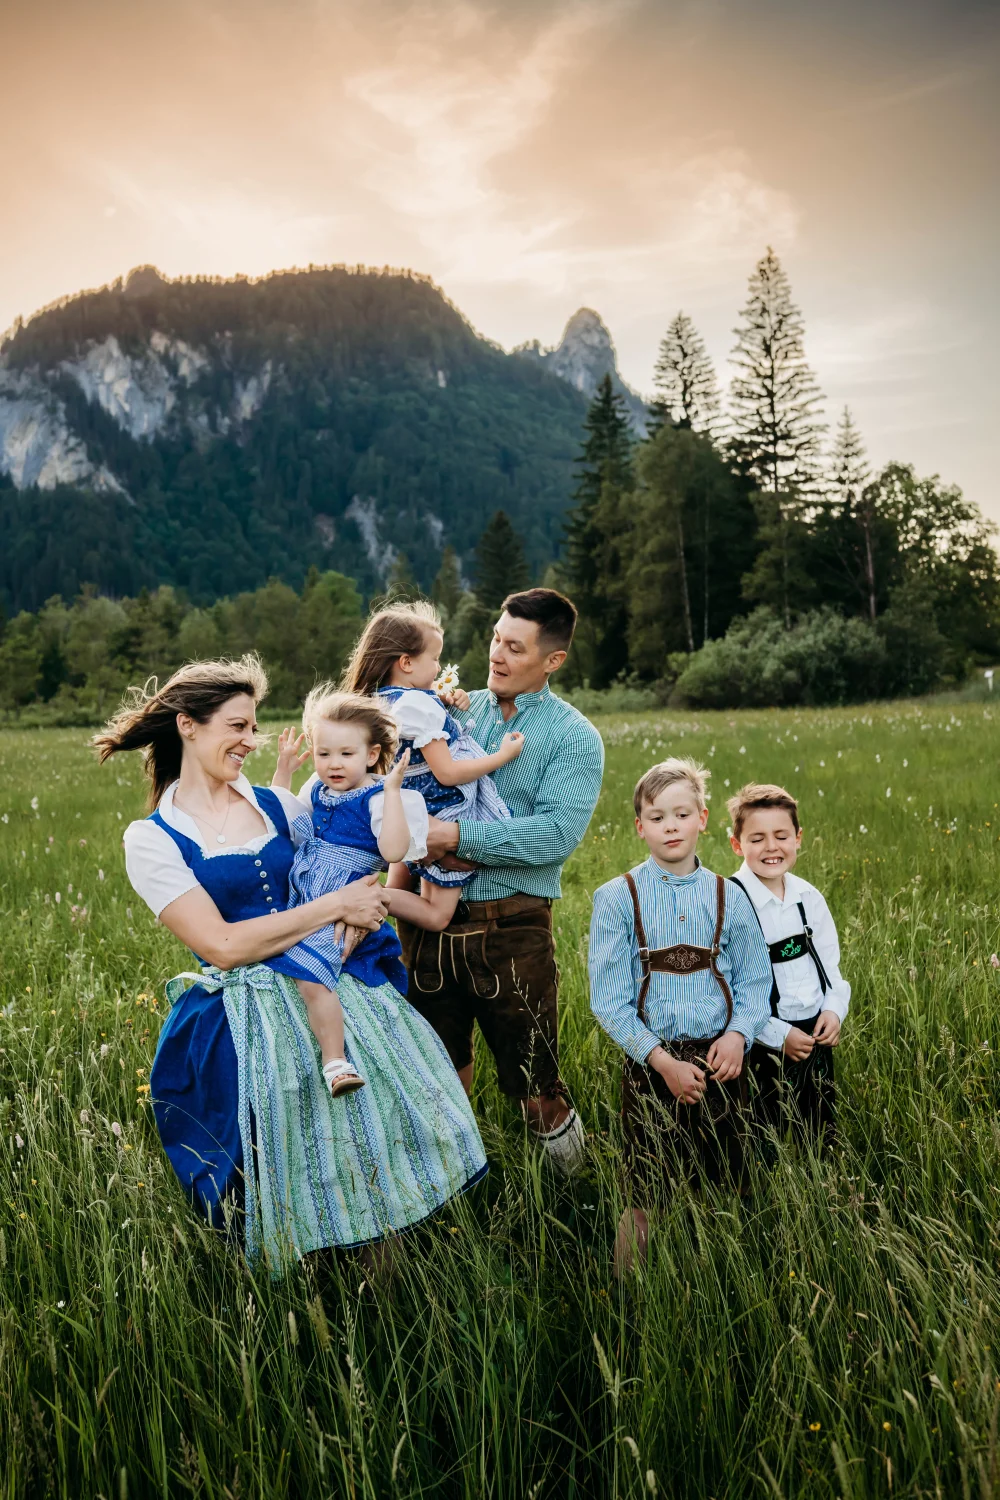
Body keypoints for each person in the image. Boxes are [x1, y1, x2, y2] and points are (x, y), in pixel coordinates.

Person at [98, 656, 487, 1268]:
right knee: (284, 1172)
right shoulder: (152, 838)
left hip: (336, 983)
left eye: (254, 727)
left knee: (372, 1162)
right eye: (238, 726)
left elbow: (356, 854)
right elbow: (224, 945)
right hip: (246, 1016)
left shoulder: (280, 805)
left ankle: (387, 1311)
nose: (251, 742)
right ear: (187, 726)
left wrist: (371, 907)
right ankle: (300, 1321)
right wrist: (336, 906)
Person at [398, 588, 605, 1175]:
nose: (497, 654)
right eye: (495, 638)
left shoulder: (572, 737)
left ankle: (577, 1189)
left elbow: (551, 839)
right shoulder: (453, 711)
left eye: (514, 647)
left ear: (552, 661)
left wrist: (453, 840)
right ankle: (447, 1202)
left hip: (512, 931)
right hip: (426, 927)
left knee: (537, 1089)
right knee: (439, 1081)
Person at [588, 758, 772, 1274]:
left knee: (725, 1181)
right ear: (639, 826)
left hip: (722, 1061)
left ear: (702, 819)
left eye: (681, 814)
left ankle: (718, 1279)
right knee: (644, 1191)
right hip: (651, 1066)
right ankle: (628, 1296)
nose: (670, 825)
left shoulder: (729, 897)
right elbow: (609, 1002)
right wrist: (662, 1063)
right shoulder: (616, 898)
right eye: (657, 816)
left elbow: (757, 982)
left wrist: (738, 1035)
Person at [269, 687, 426, 1096]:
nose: (333, 764)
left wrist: (391, 793)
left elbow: (393, 852)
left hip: (343, 903)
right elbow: (285, 818)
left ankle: (335, 1061)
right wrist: (285, 770)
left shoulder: (378, 797)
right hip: (306, 893)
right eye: (324, 754)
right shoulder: (318, 790)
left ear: (372, 755)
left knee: (311, 975)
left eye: (345, 754)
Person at [336, 599, 525, 932]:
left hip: (408, 807)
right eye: (434, 659)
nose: (438, 669)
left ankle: (369, 899)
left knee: (400, 882)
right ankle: (358, 896)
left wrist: (443, 702)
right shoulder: (419, 708)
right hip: (444, 807)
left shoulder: (380, 701)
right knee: (437, 915)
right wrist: (503, 755)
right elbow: (447, 772)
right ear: (406, 662)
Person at [727, 782, 849, 1146]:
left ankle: (823, 1184)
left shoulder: (809, 898)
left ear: (798, 838)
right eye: (757, 838)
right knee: (763, 1133)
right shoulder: (732, 903)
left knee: (818, 1127)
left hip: (814, 1035)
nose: (771, 847)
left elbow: (831, 968)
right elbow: (728, 989)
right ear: (737, 845)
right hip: (760, 1039)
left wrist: (833, 1011)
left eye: (781, 835)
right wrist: (779, 1035)